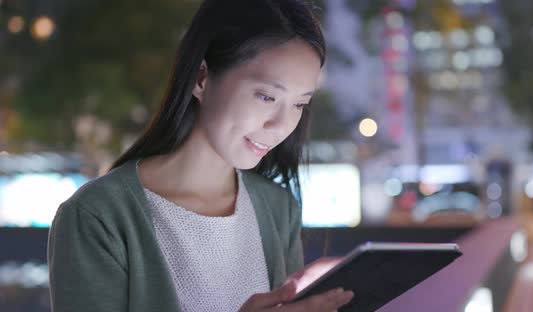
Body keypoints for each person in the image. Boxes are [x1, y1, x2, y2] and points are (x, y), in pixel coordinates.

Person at [47, 0, 354, 311]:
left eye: (299, 104)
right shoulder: (98, 216)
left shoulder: (279, 210)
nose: (280, 126)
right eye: (266, 96)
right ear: (201, 78)